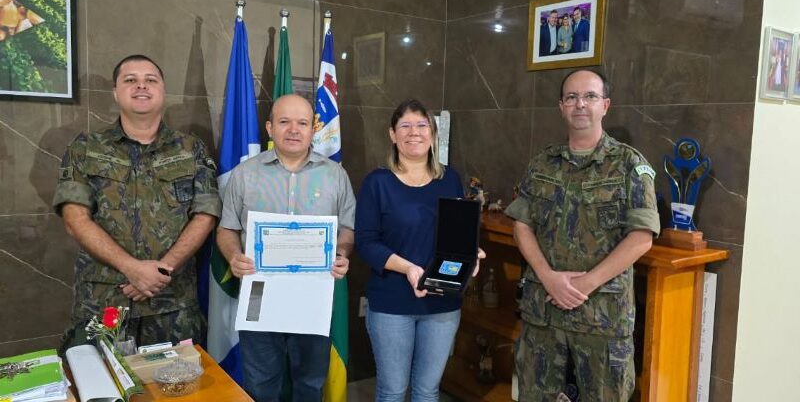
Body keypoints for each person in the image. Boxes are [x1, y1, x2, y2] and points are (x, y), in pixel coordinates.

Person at [505, 70, 660, 401]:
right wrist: (548, 278)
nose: (580, 104)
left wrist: (584, 284)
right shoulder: (542, 164)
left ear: (605, 105)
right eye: (571, 97)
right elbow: (522, 225)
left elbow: (642, 237)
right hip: (544, 316)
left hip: (601, 319)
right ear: (561, 106)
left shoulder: (630, 165)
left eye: (589, 96)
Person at [53, 54, 220, 352]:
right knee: (102, 392)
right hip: (105, 304)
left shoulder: (191, 149)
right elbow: (74, 219)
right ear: (116, 92)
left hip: (173, 306)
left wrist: (161, 271)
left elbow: (205, 213)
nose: (141, 86)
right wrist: (132, 269)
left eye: (150, 80)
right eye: (130, 80)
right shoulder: (85, 149)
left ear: (163, 91)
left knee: (177, 392)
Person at [216, 94, 355, 402]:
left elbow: (347, 229)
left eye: (302, 123)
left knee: (309, 384)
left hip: (315, 297)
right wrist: (234, 256)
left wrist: (342, 253)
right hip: (258, 295)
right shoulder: (245, 173)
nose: (294, 129)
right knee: (261, 385)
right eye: (284, 122)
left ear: (313, 129)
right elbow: (227, 229)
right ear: (269, 127)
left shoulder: (335, 176)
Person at [356, 99, 485, 402]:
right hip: (391, 304)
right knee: (392, 390)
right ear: (392, 134)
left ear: (433, 132)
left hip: (442, 303)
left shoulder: (449, 179)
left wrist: (470, 255)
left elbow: (455, 234)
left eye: (421, 125)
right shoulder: (377, 182)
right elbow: (367, 243)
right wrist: (410, 269)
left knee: (428, 391)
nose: (414, 133)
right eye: (405, 126)